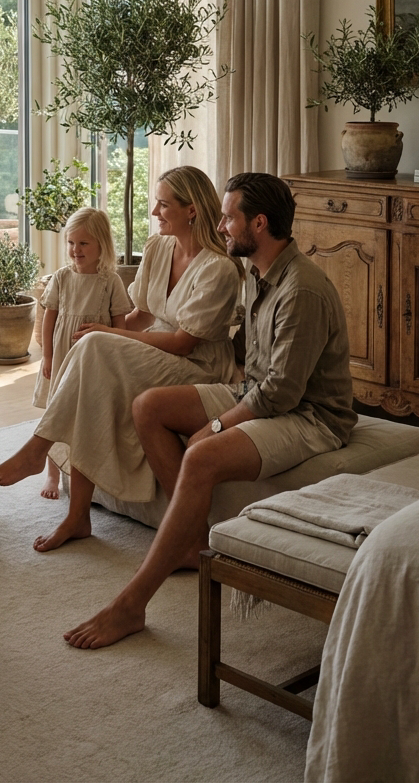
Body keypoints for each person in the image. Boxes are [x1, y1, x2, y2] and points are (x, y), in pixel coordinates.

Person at [63, 172, 356, 650]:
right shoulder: (262, 273)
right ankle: (192, 540)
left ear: (258, 223)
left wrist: (214, 427)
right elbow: (255, 373)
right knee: (149, 407)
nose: (220, 227)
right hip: (254, 388)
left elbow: (281, 394)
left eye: (227, 217)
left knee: (200, 455)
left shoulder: (300, 288)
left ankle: (132, 603)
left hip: (311, 416)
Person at [0, 166, 244, 552]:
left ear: (191, 210)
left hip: (199, 366)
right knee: (96, 370)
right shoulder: (159, 249)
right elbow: (140, 315)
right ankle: (78, 517)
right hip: (158, 350)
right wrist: (113, 337)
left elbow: (183, 343)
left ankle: (38, 451)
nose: (154, 211)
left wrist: (108, 335)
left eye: (163, 204)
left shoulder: (219, 268)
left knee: (96, 347)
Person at [33, 207, 132, 499]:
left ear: (102, 244)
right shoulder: (62, 277)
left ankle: (80, 469)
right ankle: (52, 474)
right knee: (55, 412)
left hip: (94, 359)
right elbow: (49, 317)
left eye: (84, 243)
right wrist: (47, 356)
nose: (75, 250)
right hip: (63, 353)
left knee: (81, 414)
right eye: (71, 243)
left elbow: (120, 325)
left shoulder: (110, 281)